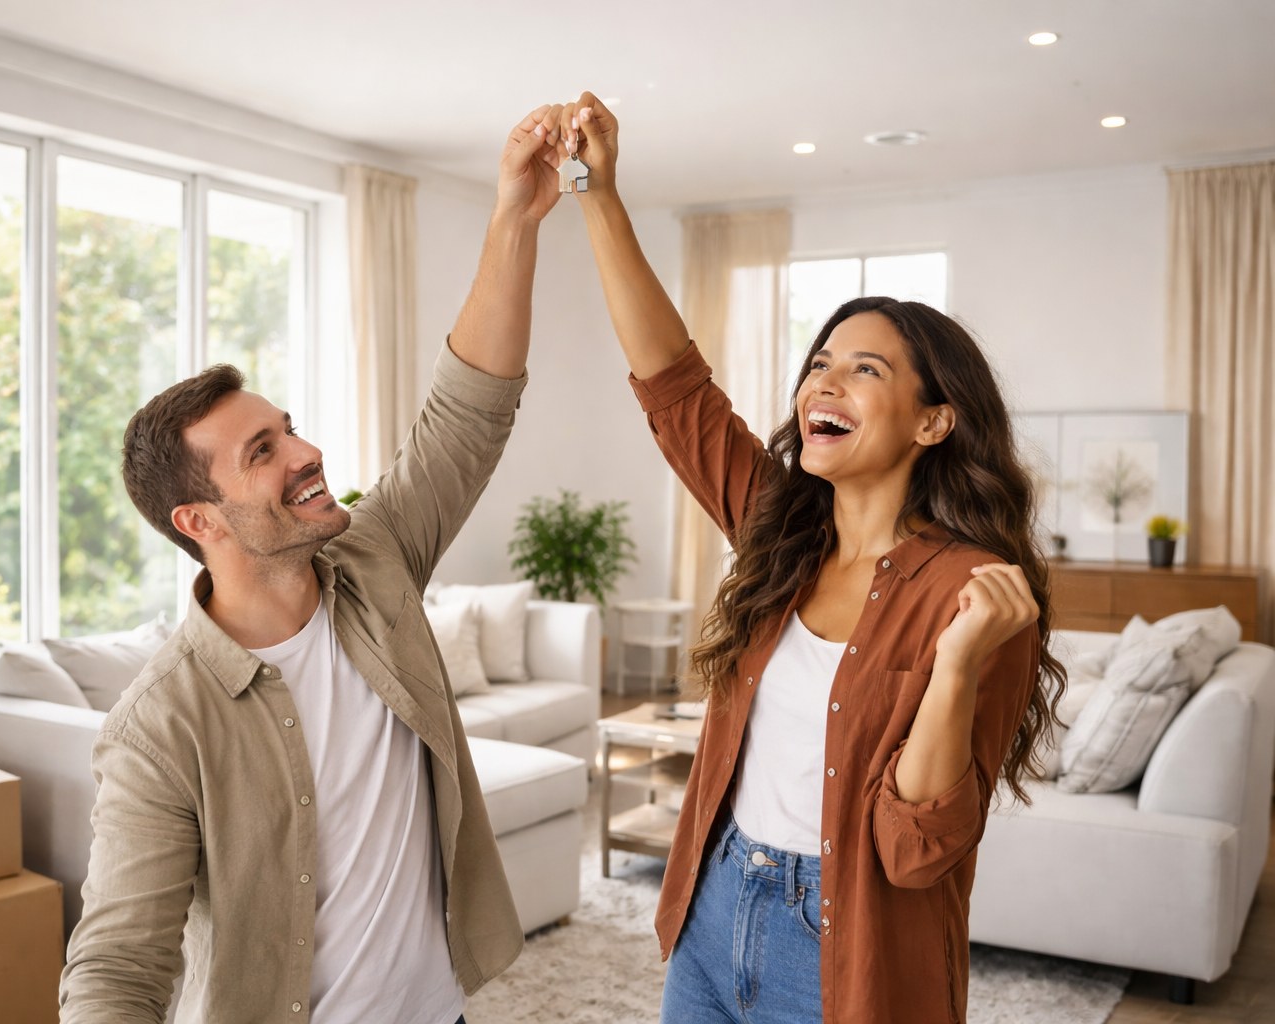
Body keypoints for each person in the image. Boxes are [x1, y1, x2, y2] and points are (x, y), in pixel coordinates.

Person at [57, 103, 574, 1024]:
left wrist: (514, 219)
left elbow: (469, 410)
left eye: (287, 428)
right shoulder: (160, 726)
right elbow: (118, 963)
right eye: (262, 451)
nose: (307, 452)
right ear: (198, 519)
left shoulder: (373, 560)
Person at [556, 92, 1064, 1024]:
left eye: (865, 369)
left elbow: (915, 850)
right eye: (821, 361)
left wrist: (955, 668)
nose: (823, 381)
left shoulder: (974, 596)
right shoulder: (780, 526)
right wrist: (596, 192)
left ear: (933, 420)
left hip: (848, 953)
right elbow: (675, 389)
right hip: (712, 915)